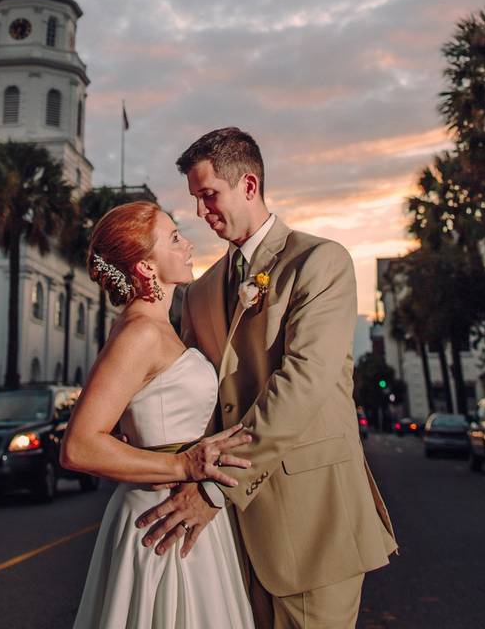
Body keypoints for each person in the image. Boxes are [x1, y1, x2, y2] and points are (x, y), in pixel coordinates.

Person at [134, 127, 399, 628]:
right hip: (229, 537)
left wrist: (214, 489)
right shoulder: (202, 290)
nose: (201, 212)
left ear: (249, 186)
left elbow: (304, 384)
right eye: (194, 199)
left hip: (313, 523)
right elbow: (202, 395)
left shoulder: (320, 262)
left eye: (209, 195)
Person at [61, 201, 256, 628]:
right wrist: (180, 464)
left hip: (185, 508)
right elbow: (78, 446)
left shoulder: (159, 325)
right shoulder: (141, 333)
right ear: (146, 268)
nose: (187, 243)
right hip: (161, 515)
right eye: (173, 238)